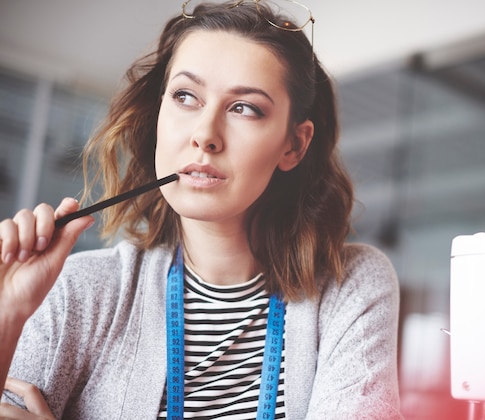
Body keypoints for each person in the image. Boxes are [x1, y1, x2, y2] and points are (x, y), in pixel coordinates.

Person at [0, 1, 402, 418]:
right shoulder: (81, 291)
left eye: (244, 107)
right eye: (185, 96)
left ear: (294, 145)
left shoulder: (351, 286)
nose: (205, 135)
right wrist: (8, 314)